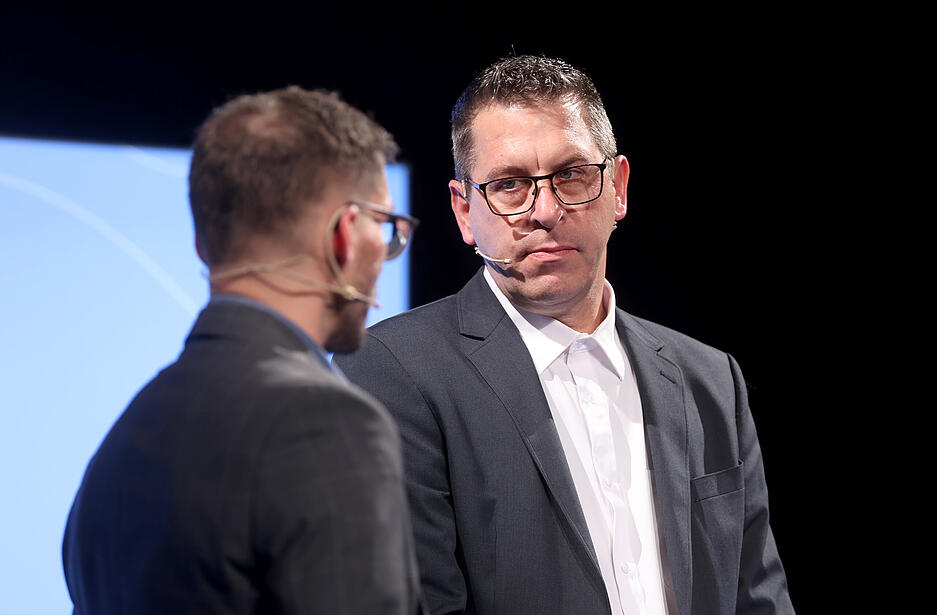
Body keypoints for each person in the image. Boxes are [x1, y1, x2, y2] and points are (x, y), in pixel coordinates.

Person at [334, 56, 794, 615]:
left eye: (572, 175)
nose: (545, 210)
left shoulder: (711, 379)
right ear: (463, 210)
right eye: (509, 185)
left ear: (618, 188)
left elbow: (759, 600)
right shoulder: (391, 371)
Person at [62, 87, 424, 614]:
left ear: (204, 246)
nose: (385, 256)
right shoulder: (326, 424)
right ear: (345, 235)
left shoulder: (120, 445)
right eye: (384, 226)